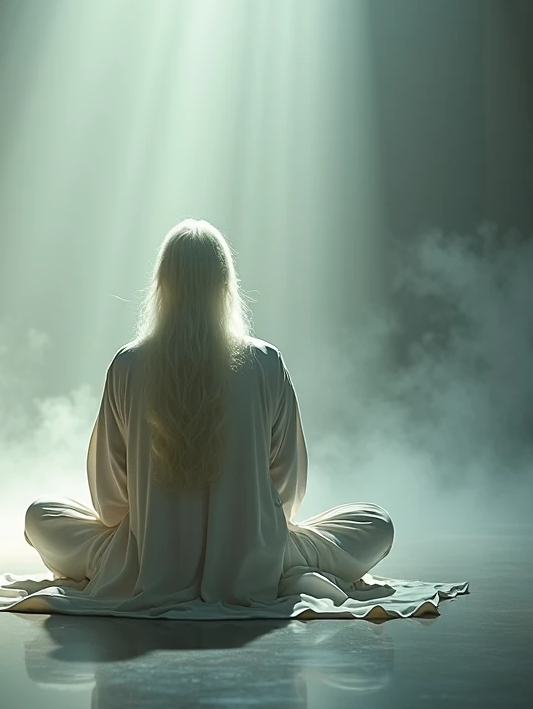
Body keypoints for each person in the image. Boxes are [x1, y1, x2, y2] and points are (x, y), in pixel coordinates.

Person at [23, 218, 395, 613]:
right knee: (376, 524)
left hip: (145, 561)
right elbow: (288, 489)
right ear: (225, 285)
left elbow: (111, 503)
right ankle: (286, 571)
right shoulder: (266, 363)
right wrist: (253, 525)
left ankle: (159, 565)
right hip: (256, 557)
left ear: (162, 286)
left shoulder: (128, 365)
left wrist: (157, 523)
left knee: (40, 517)